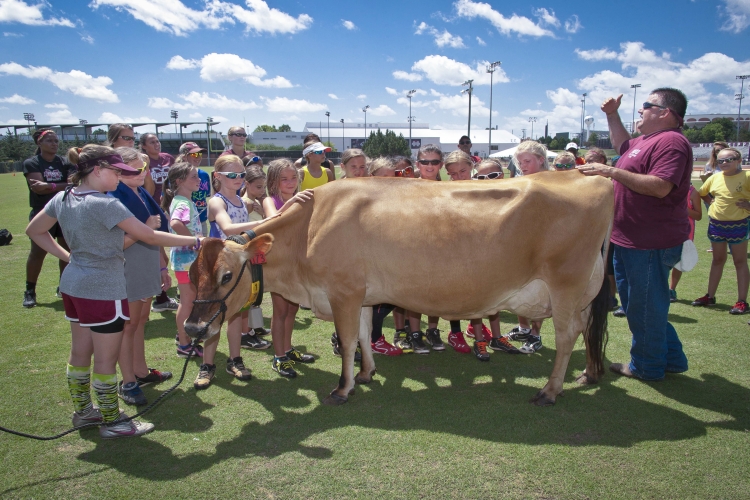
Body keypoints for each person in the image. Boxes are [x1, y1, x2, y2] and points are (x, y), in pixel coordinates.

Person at [25, 144, 199, 439]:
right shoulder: (106, 204)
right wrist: (199, 240)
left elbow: (34, 230)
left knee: (79, 353)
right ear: (97, 171)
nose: (121, 177)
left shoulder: (63, 197)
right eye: (117, 171)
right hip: (103, 289)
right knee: (105, 359)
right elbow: (147, 234)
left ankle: (84, 412)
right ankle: (112, 420)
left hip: (73, 285)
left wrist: (69, 258)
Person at [580, 87, 691, 381]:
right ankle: (672, 358)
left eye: (646, 105)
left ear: (666, 113)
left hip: (650, 241)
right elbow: (623, 146)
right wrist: (612, 114)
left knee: (644, 306)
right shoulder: (647, 140)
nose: (640, 110)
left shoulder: (671, 143)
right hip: (631, 238)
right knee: (640, 303)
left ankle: (647, 366)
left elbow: (660, 186)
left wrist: (611, 172)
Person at [194, 155, 278, 389]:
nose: (239, 179)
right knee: (213, 316)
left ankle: (235, 360)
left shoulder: (244, 201)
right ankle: (207, 365)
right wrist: (265, 222)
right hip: (216, 266)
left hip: (237, 266)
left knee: (236, 316)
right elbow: (227, 228)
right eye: (233, 175)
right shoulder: (217, 202)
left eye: (241, 175)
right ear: (217, 177)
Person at [109, 147, 175, 407]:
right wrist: (145, 229)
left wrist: (161, 267)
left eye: (144, 168)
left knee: (140, 321)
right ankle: (127, 382)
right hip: (129, 265)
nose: (143, 173)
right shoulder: (113, 197)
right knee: (128, 325)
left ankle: (141, 370)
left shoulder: (142, 192)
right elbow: (121, 239)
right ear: (119, 170)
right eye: (136, 168)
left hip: (146, 263)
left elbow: (156, 234)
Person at [444, 151, 519, 358]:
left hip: (491, 250)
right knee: (475, 298)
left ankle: (497, 337)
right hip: (463, 254)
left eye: (463, 171)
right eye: (453, 173)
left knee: (494, 297)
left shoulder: (484, 188)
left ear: (471, 169)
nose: (459, 176)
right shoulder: (445, 192)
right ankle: (479, 340)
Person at [262, 159, 316, 377]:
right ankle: (278, 357)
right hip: (278, 262)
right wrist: (292, 202)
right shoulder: (269, 200)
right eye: (284, 179)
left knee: (292, 308)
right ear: (273, 182)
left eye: (293, 177)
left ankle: (287, 349)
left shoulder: (301, 198)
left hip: (297, 261)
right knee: (280, 310)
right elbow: (272, 219)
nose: (290, 182)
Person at [501, 141, 553, 354]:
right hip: (519, 243)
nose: (523, 165)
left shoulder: (552, 182)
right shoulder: (519, 181)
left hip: (541, 243)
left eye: (527, 161)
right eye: (520, 161)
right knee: (518, 287)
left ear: (541, 160)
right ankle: (523, 327)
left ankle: (535, 333)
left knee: (538, 289)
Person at [692, 147, 750, 313]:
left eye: (729, 160)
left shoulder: (746, 176)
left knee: (739, 262)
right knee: (717, 260)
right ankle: (710, 296)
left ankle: (742, 301)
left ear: (739, 161)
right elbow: (702, 193)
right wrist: (711, 202)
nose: (724, 163)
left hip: (738, 224)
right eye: (721, 161)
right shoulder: (715, 177)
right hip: (717, 224)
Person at [22, 128, 74, 308]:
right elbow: (38, 188)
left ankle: (64, 286)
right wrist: (60, 185)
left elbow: (72, 184)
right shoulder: (32, 163)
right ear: (40, 143)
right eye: (50, 141)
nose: (54, 144)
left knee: (67, 250)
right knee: (38, 252)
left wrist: (49, 185)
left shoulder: (64, 162)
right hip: (41, 211)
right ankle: (30, 290)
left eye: (56, 141)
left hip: (64, 209)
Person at [239, 166, 272, 347]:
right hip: (247, 251)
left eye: (263, 187)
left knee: (254, 293)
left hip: (255, 251)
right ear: (247, 184)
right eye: (258, 187)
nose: (262, 191)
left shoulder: (256, 202)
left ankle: (252, 327)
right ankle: (245, 334)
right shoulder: (244, 202)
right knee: (247, 294)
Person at [670, 184, 702, 302]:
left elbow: (698, 216)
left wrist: (685, 209)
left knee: (678, 262)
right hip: (666, 230)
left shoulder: (693, 192)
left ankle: (671, 289)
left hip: (685, 232)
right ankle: (661, 288)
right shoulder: (667, 187)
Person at [176, 142, 211, 237]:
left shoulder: (204, 175)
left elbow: (205, 196)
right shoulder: (176, 175)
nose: (198, 157)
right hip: (184, 222)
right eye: (194, 154)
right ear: (184, 156)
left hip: (202, 220)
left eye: (200, 154)